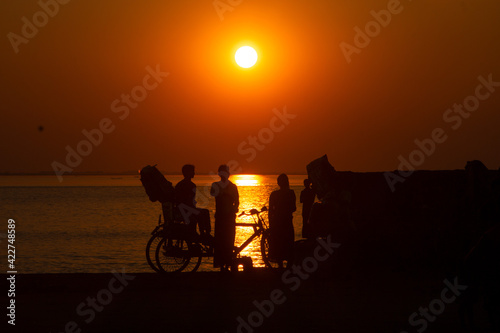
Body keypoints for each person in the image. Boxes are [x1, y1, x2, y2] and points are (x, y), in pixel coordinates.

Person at [210, 165, 239, 271]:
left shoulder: (233, 186)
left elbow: (237, 202)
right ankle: (221, 264)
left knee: (229, 240)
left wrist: (234, 209)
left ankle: (228, 262)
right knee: (220, 241)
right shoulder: (215, 185)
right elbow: (212, 193)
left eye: (225, 173)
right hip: (220, 217)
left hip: (229, 217)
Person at [174, 164, 211, 237]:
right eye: (192, 171)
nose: (194, 173)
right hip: (185, 210)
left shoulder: (179, 184)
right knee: (204, 213)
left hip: (181, 209)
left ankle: (203, 233)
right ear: (188, 173)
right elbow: (189, 201)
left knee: (201, 212)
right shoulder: (191, 185)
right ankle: (204, 233)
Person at [269, 174, 296, 268]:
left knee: (279, 244)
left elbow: (270, 211)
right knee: (288, 244)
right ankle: (288, 267)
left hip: (277, 223)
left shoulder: (274, 194)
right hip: (287, 222)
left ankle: (280, 266)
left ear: (278, 183)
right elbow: (294, 208)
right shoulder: (291, 193)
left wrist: (271, 224)